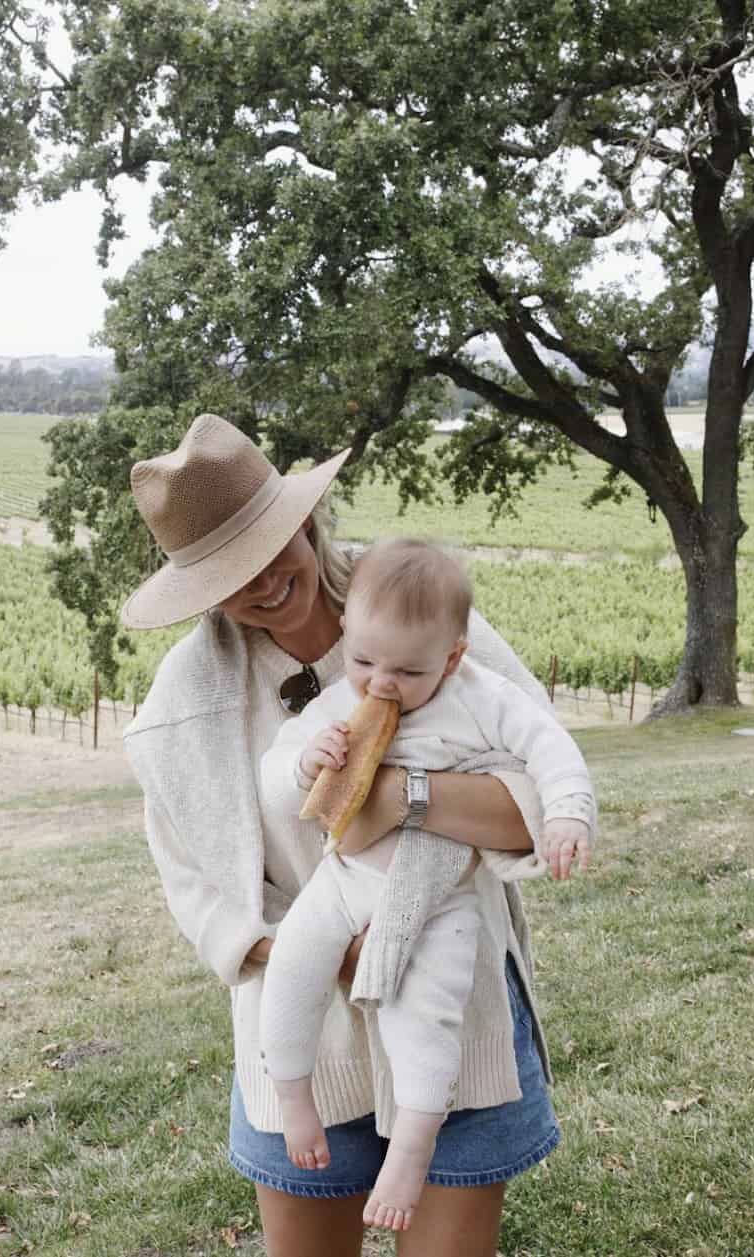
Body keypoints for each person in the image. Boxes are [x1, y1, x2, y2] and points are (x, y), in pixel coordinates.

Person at [122, 413, 565, 1257]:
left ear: (302, 517)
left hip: (450, 1008)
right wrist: (320, 952)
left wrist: (400, 795)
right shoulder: (181, 709)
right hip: (306, 1029)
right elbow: (201, 891)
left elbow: (537, 790)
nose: (261, 581)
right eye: (228, 570)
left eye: (268, 544)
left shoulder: (413, 604)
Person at [258, 539, 594, 1232]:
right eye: (363, 662)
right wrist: (303, 762)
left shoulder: (480, 699)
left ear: (453, 656)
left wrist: (566, 813)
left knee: (427, 1014)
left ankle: (413, 1146)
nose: (381, 683)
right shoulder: (337, 702)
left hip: (439, 894)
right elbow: (276, 767)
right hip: (347, 878)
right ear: (347, 638)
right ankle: (292, 1092)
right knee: (292, 961)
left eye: (409, 671)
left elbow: (549, 745)